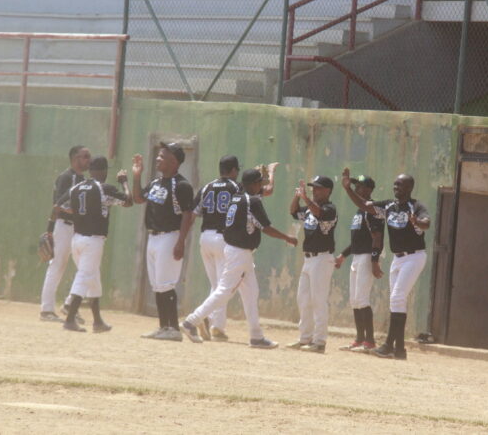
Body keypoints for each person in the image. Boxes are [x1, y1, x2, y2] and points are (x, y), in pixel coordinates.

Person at [181, 169, 297, 347]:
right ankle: (191, 321)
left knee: (251, 292)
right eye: (259, 182)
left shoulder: (237, 198)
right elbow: (266, 227)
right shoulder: (253, 201)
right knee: (224, 290)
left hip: (237, 250)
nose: (261, 185)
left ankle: (256, 336)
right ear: (253, 184)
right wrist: (287, 238)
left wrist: (270, 174)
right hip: (239, 252)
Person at [340, 168, 431, 360]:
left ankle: (389, 345)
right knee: (396, 300)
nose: (395, 187)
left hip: (414, 257)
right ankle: (399, 350)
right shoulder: (389, 206)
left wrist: (418, 222)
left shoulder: (415, 206)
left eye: (400, 184)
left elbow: (426, 222)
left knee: (397, 297)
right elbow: (365, 205)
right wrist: (348, 189)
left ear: (409, 187)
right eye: (395, 184)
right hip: (397, 258)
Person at [57, 156, 132, 332]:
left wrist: (80, 212)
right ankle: (69, 318)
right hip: (93, 240)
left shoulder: (76, 188)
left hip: (76, 239)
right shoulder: (103, 188)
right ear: (104, 171)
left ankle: (97, 321)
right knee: (84, 277)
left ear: (90, 171)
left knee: (93, 278)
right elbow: (128, 201)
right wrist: (124, 182)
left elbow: (60, 206)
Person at [132, 142, 195, 342]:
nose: (158, 159)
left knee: (167, 284)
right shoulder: (156, 183)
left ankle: (174, 328)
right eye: (158, 156)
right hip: (153, 237)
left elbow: (188, 215)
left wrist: (181, 242)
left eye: (162, 156)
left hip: (170, 237)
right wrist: (136, 176)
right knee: (158, 285)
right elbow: (138, 198)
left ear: (174, 161)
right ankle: (163, 327)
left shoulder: (182, 185)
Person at [39, 145, 91, 322]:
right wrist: (49, 230)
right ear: (75, 159)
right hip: (63, 227)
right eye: (85, 157)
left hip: (78, 229)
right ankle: (46, 310)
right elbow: (58, 206)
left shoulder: (83, 179)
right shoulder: (66, 177)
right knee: (57, 266)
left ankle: (70, 304)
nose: (88, 160)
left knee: (86, 267)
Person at [286, 175, 338, 354]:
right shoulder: (309, 209)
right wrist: (297, 195)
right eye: (313, 188)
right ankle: (304, 338)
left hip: (322, 259)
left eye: (318, 188)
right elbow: (293, 212)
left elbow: (319, 213)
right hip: (308, 259)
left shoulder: (330, 209)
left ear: (328, 191)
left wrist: (305, 198)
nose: (314, 191)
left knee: (318, 300)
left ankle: (319, 341)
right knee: (304, 300)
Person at [335, 174, 384, 353]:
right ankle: (359, 339)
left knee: (362, 299)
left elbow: (377, 238)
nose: (356, 189)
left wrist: (374, 260)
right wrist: (343, 255)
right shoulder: (359, 211)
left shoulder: (373, 210)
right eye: (356, 186)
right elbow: (358, 240)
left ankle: (370, 342)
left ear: (369, 190)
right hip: (357, 256)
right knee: (354, 300)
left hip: (366, 258)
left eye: (360, 186)